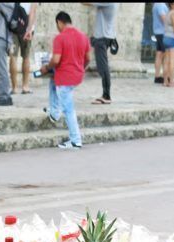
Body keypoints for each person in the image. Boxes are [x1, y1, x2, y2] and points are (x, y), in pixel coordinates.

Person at [44, 11, 91, 149]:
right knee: (53, 82)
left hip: (65, 78)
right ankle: (54, 112)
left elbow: (56, 60)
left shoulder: (60, 38)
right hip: (76, 76)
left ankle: (75, 140)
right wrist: (80, 68)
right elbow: (88, 58)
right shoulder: (83, 37)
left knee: (69, 109)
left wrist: (46, 67)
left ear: (59, 22)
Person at [86, 2, 119, 105]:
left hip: (102, 38)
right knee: (102, 67)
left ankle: (106, 95)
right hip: (103, 37)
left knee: (103, 68)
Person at [9, 2, 37, 95]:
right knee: (26, 56)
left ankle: (14, 88)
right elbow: (32, 12)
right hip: (26, 27)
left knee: (13, 56)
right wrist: (29, 29)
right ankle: (25, 87)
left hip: (14, 26)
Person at [161, 3, 174, 87]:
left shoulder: (168, 13)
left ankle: (165, 81)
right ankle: (171, 81)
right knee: (172, 61)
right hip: (172, 38)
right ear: (172, 5)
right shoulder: (173, 14)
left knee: (166, 61)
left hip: (166, 37)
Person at [152, 2, 169, 84]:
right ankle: (164, 76)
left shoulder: (156, 4)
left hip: (158, 32)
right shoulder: (161, 5)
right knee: (165, 55)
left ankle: (157, 76)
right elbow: (163, 18)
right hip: (163, 32)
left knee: (159, 54)